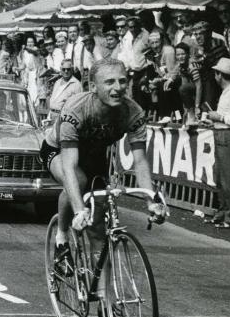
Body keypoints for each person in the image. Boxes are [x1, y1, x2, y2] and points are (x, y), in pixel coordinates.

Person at [40, 58, 166, 271]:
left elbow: (140, 161)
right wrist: (79, 210)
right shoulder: (76, 108)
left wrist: (151, 200)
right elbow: (70, 166)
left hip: (94, 156)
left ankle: (103, 300)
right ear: (93, 87)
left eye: (122, 81)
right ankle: (62, 238)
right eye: (109, 82)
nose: (118, 88)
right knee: (79, 181)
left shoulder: (133, 112)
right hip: (59, 151)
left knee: (98, 228)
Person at [201, 58, 230, 228]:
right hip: (223, 134)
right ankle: (223, 214)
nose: (215, 76)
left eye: (217, 73)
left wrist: (219, 117)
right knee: (220, 177)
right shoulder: (229, 91)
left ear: (220, 75)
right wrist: (214, 122)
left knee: (227, 178)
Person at [170, 42, 202, 125]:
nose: (180, 57)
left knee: (183, 89)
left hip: (202, 85)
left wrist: (197, 106)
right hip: (191, 85)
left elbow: (199, 86)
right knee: (177, 86)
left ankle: (192, 114)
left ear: (188, 54)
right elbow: (183, 82)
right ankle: (181, 114)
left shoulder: (192, 66)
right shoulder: (181, 66)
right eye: (178, 55)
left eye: (183, 54)